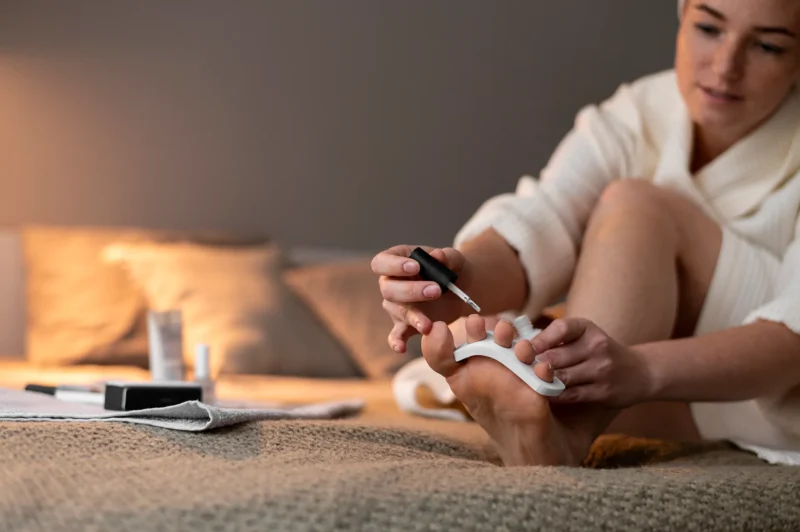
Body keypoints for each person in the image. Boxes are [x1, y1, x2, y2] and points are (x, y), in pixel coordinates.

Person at [371, 0, 800, 467]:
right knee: (515, 347)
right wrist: (450, 284)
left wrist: (640, 370)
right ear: (682, 18)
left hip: (775, 393)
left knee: (634, 206)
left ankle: (566, 430)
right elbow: (547, 217)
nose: (724, 67)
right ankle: (547, 409)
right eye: (708, 28)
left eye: (767, 46)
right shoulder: (638, 112)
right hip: (674, 397)